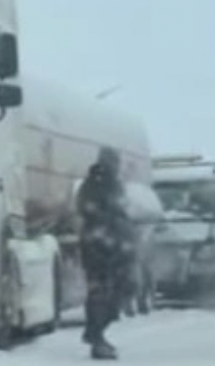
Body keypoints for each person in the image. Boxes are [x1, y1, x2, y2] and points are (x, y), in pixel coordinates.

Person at [76, 148, 134, 361]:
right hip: (97, 249)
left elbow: (123, 213)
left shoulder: (116, 185)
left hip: (116, 248)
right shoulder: (92, 185)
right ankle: (96, 336)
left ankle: (96, 332)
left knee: (116, 293)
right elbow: (87, 210)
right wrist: (105, 228)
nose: (115, 165)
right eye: (113, 161)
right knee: (100, 294)